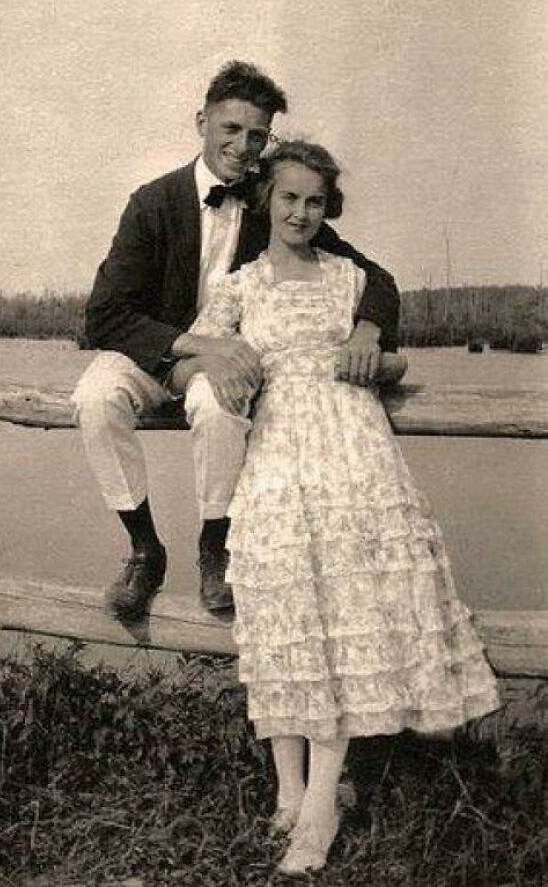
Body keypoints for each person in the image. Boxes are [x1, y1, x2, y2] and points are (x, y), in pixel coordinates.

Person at [188, 139, 500, 875]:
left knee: (345, 608)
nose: (301, 213)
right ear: (266, 200)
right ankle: (288, 793)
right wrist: (217, 365)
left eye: (315, 201)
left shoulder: (350, 278)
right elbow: (196, 351)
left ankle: (322, 803)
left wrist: (376, 354)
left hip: (353, 451)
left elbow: (392, 355)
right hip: (277, 453)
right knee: (285, 611)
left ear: (329, 208)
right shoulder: (238, 286)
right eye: (289, 198)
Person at [71, 63, 400, 619]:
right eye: (230, 129)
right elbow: (103, 316)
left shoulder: (270, 201)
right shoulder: (152, 203)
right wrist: (195, 346)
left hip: (223, 360)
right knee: (94, 399)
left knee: (218, 404)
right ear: (202, 122)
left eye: (256, 135)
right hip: (153, 351)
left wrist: (367, 328)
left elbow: (377, 279)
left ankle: (214, 546)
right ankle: (144, 549)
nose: (243, 146)